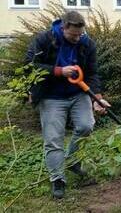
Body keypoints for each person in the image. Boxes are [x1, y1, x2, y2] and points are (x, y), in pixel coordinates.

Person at [25, 11, 109, 199]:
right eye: (73, 35)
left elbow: (92, 72)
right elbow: (29, 65)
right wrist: (58, 71)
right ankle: (58, 179)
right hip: (51, 97)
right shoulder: (44, 40)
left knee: (86, 126)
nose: (77, 38)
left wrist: (97, 99)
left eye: (80, 34)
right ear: (63, 28)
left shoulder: (86, 43)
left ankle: (72, 161)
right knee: (54, 138)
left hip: (78, 94)